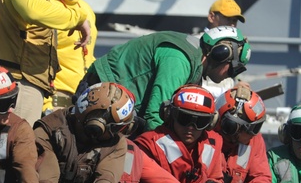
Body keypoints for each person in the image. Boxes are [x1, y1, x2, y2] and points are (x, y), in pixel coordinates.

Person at [79, 26, 251, 131]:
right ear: (221, 55)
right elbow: (156, 115)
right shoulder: (180, 60)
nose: (230, 77)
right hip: (101, 103)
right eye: (233, 70)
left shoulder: (194, 62)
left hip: (119, 105)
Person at [33, 81, 133, 183]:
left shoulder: (116, 142)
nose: (119, 133)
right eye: (116, 128)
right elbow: (46, 170)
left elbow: (107, 175)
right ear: (96, 127)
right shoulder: (49, 130)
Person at [134, 85, 225, 183]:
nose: (191, 127)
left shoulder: (214, 143)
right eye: (184, 118)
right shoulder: (148, 144)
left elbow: (215, 175)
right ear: (170, 115)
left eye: (200, 122)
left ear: (210, 123)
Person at [44, 0, 98, 112]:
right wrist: (45, 106)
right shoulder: (46, 7)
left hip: (84, 103)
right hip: (54, 103)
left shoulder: (87, 9)